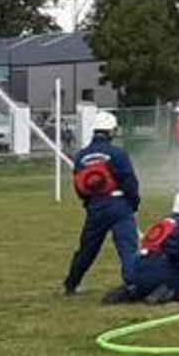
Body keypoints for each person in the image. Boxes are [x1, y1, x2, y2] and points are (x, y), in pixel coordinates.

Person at [62, 111, 141, 295]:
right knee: (127, 246)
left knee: (87, 249)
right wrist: (134, 202)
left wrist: (89, 203)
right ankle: (132, 283)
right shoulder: (117, 153)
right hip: (119, 204)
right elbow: (129, 180)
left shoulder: (81, 156)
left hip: (96, 206)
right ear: (111, 131)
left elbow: (80, 185)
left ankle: (71, 284)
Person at [107, 188, 179, 304]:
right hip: (160, 272)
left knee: (149, 279)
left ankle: (135, 290)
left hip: (137, 272)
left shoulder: (164, 222)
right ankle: (166, 292)